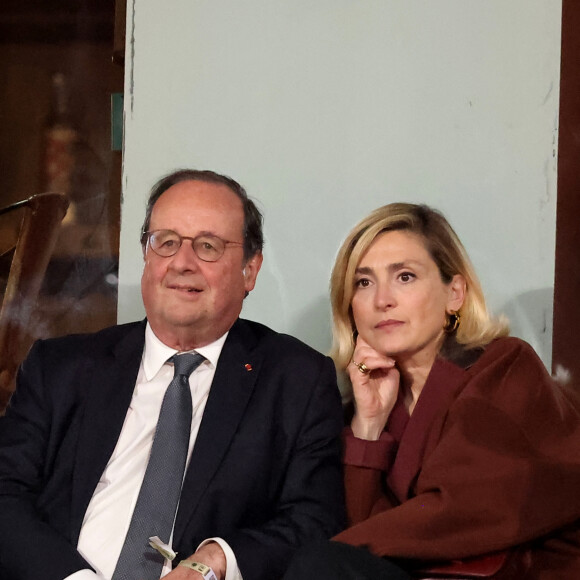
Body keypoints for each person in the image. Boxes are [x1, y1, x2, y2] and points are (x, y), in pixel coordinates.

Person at [0, 169, 345, 580]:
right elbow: (5, 495)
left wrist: (215, 560)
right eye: (165, 243)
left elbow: (315, 518)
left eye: (208, 246)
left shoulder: (295, 379)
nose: (182, 263)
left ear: (250, 270)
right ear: (147, 256)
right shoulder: (60, 367)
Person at [284, 203, 580, 579]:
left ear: (454, 293)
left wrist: (330, 552)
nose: (382, 300)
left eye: (404, 277)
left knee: (317, 563)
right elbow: (360, 540)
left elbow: (466, 509)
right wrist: (369, 426)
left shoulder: (503, 367)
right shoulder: (362, 407)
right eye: (363, 282)